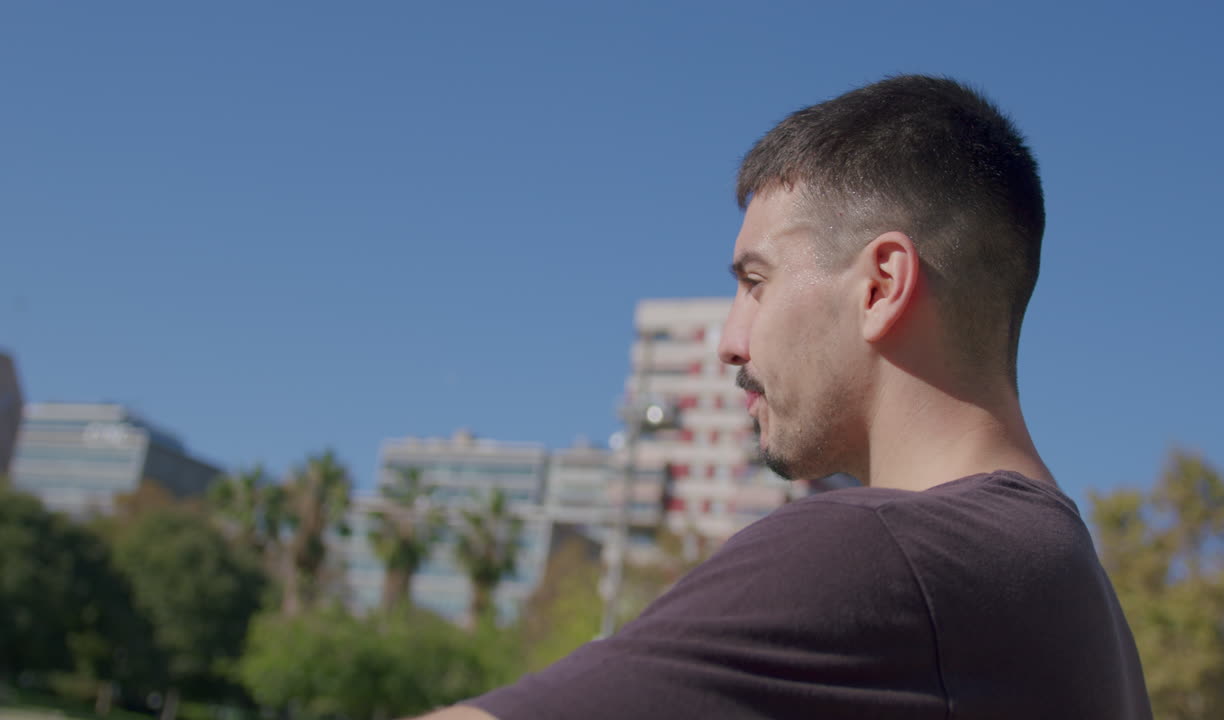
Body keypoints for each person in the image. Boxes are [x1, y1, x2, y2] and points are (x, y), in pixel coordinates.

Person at [421, 74, 1152, 719]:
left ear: (880, 287)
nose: (731, 340)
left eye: (756, 282)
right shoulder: (1077, 603)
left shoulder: (879, 553)